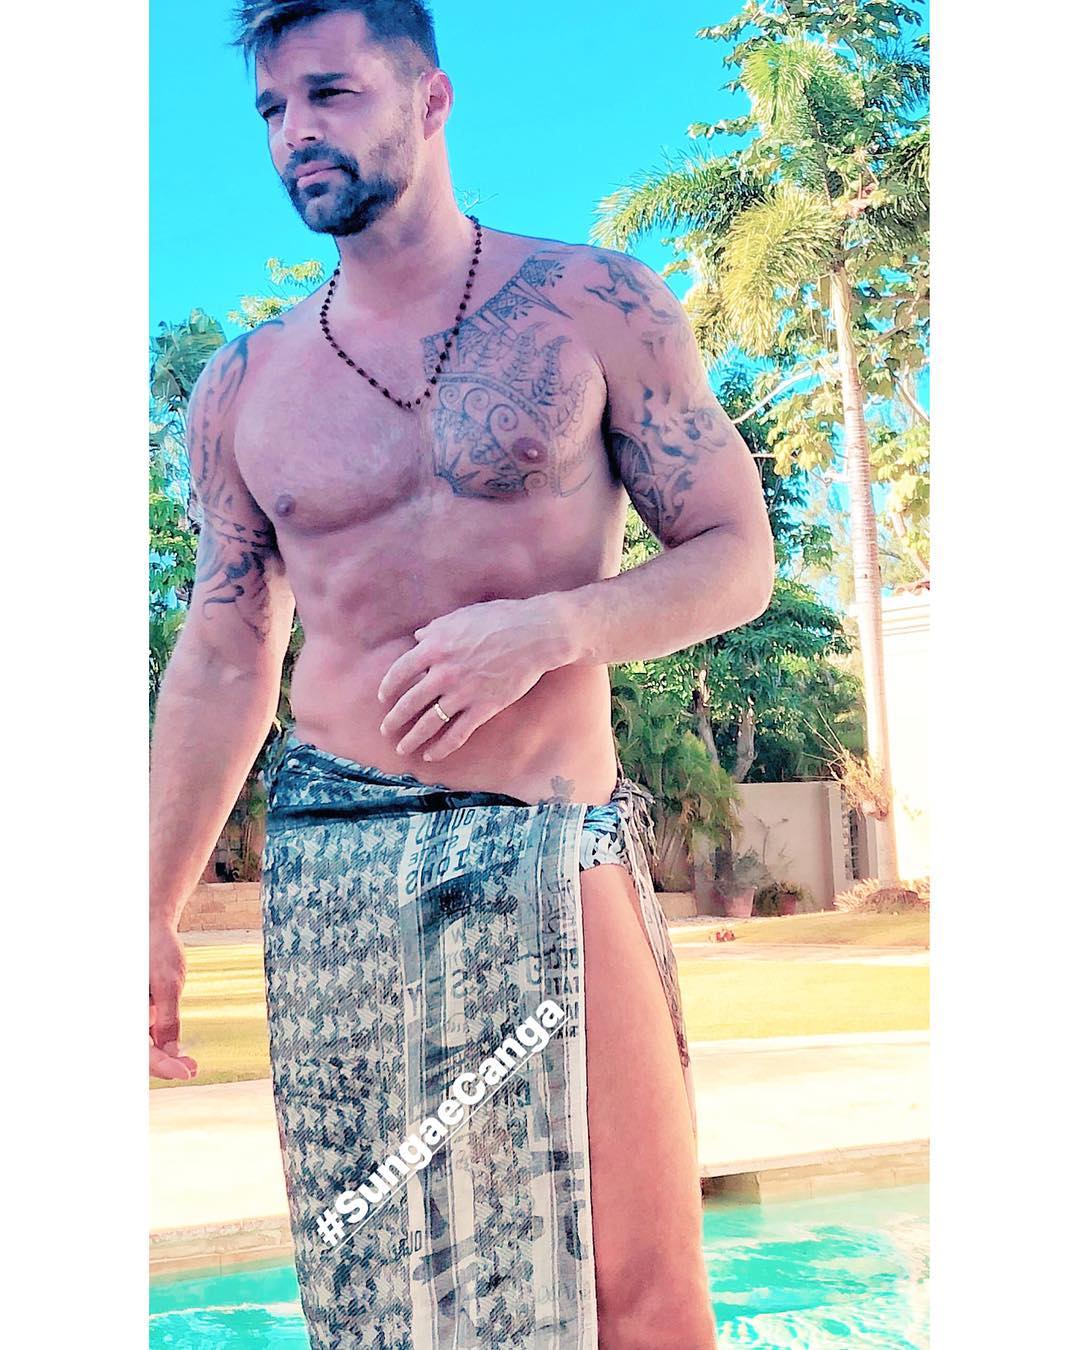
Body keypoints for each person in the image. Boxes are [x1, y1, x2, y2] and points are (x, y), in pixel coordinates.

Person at [149, 2, 775, 1346]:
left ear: (430, 101)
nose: (296, 131)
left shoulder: (593, 305)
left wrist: (553, 627)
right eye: (272, 108)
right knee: (381, 1301)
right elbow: (223, 649)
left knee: (644, 1291)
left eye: (330, 93)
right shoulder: (243, 386)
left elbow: (736, 558)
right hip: (336, 861)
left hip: (548, 827)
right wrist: (147, 904)